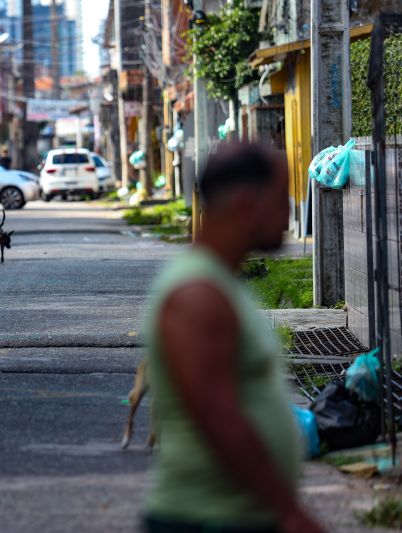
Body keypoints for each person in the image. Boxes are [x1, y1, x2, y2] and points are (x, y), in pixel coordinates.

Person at [143, 143, 324, 533]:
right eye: (280, 201)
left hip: (236, 516)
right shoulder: (197, 294)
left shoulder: (219, 282)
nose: (286, 215)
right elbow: (218, 416)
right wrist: (288, 512)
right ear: (245, 205)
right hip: (207, 520)